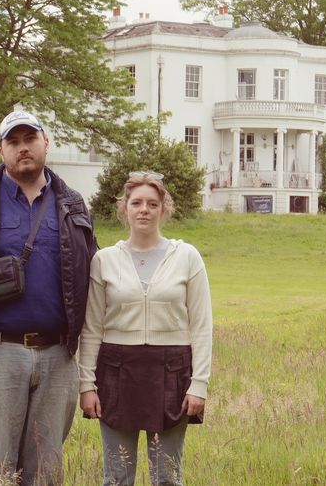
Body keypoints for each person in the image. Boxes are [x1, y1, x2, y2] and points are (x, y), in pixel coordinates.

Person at [0, 110, 99, 485]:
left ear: (46, 143)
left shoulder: (72, 203)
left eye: (30, 139)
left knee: (46, 471)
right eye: (13, 141)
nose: (22, 148)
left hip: (58, 356)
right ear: (0, 149)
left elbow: (90, 271)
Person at [77, 171, 212, 486]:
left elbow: (202, 327)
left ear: (164, 208)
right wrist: (87, 385)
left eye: (152, 203)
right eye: (136, 203)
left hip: (172, 371)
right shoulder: (104, 260)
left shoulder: (187, 257)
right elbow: (92, 327)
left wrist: (199, 385)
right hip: (117, 371)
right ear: (124, 208)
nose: (144, 210)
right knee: (117, 477)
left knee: (166, 477)